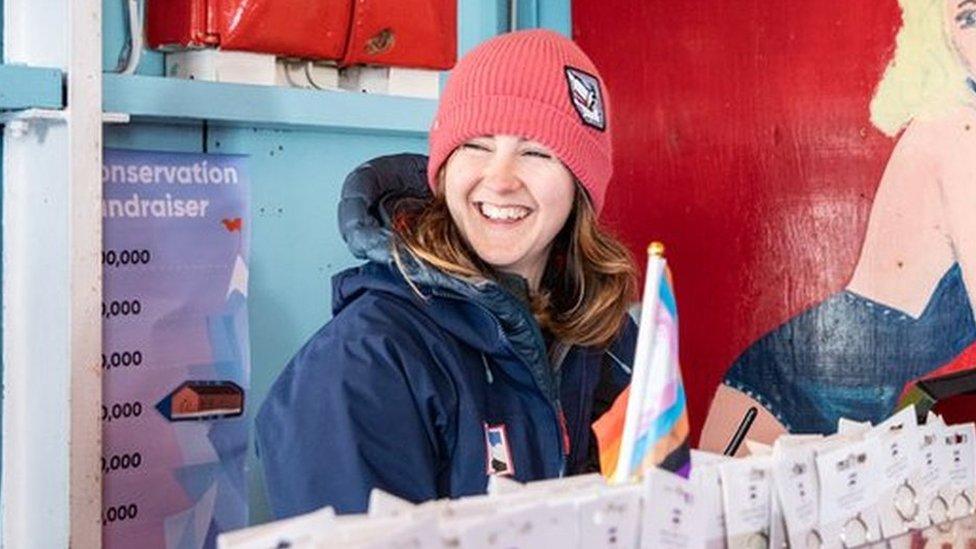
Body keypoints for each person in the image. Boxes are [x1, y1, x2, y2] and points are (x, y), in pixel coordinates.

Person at [256, 29, 639, 518]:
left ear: (579, 187)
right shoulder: (362, 364)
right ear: (444, 166)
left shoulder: (603, 338)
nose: (500, 180)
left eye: (536, 152)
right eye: (477, 145)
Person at [701, 0, 976, 449]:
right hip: (783, 393)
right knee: (708, 522)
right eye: (971, 17)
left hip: (863, 415)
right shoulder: (957, 130)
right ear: (942, 36)